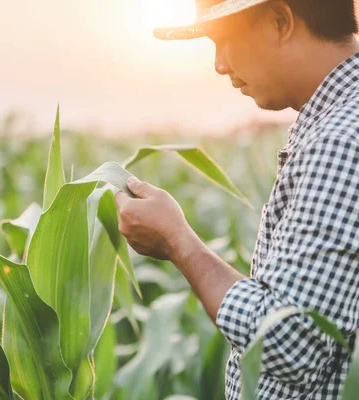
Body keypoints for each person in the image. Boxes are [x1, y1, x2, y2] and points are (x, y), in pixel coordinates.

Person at [114, 0, 359, 398]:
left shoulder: (338, 141)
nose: (219, 65)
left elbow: (288, 343)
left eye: (223, 41)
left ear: (280, 21)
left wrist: (179, 242)